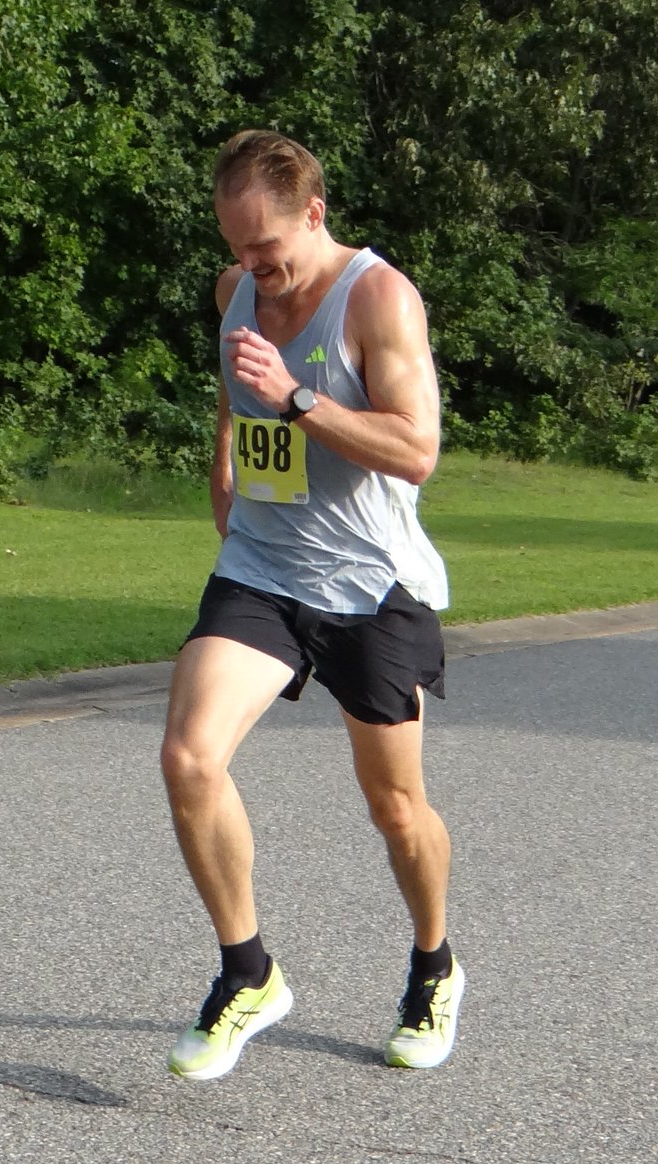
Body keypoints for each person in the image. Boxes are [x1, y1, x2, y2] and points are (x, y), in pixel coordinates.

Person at [161, 129, 465, 1081]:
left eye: (270, 250)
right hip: (263, 568)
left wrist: (297, 400)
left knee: (395, 806)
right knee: (189, 756)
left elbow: (416, 450)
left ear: (315, 212)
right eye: (239, 250)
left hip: (371, 585)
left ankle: (433, 964)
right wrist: (225, 447)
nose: (255, 270)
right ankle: (247, 972)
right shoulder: (235, 289)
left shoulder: (378, 297)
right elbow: (233, 368)